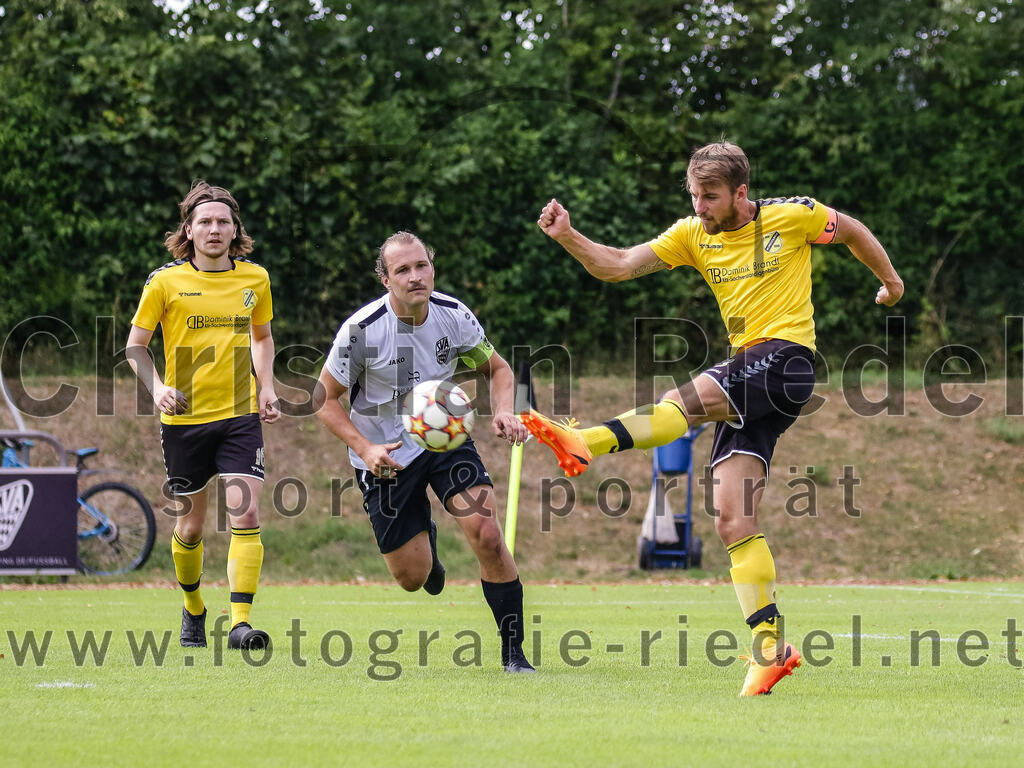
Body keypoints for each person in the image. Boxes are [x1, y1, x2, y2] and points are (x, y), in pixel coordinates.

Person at [523, 141, 904, 695]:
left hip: (787, 360)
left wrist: (891, 283)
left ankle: (586, 440)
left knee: (684, 402)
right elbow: (621, 265)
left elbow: (853, 231)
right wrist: (567, 237)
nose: (699, 205)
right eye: (694, 194)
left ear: (740, 193)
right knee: (731, 518)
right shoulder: (691, 234)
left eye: (710, 195)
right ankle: (770, 650)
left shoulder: (792, 217)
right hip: (751, 379)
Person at [314, 231, 535, 673]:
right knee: (412, 578)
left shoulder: (454, 315)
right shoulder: (362, 330)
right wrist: (366, 446)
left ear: (432, 267)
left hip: (445, 440)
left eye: (421, 266)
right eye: (403, 270)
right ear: (385, 279)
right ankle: (427, 547)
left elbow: (499, 369)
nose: (415, 277)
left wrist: (507, 411)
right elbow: (324, 399)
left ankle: (514, 655)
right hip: (385, 455)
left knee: (487, 534)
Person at [126, 180, 280, 651]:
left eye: (223, 222)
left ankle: (239, 624)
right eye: (205, 222)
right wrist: (158, 388)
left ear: (236, 230)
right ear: (188, 231)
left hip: (239, 416)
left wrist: (267, 386)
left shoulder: (255, 279)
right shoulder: (165, 281)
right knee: (190, 528)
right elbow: (136, 347)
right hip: (185, 422)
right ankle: (194, 606)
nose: (215, 229)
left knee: (246, 510)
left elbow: (262, 337)